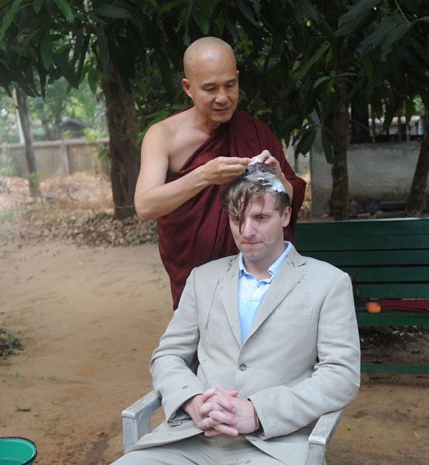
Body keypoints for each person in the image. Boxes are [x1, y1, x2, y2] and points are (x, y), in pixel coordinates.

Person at [113, 163, 360, 465]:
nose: (246, 232)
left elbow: (341, 375)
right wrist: (193, 402)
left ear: (285, 216)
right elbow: (168, 356)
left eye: (260, 218)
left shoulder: (329, 282)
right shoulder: (202, 278)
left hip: (273, 445)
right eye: (236, 218)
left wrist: (257, 412)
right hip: (188, 439)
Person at [134, 36, 307, 309]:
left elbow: (290, 198)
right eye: (210, 89)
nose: (223, 98)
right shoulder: (163, 136)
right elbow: (145, 206)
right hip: (195, 272)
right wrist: (204, 175)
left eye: (230, 85)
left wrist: (280, 179)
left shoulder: (255, 131)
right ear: (188, 88)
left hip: (256, 272)